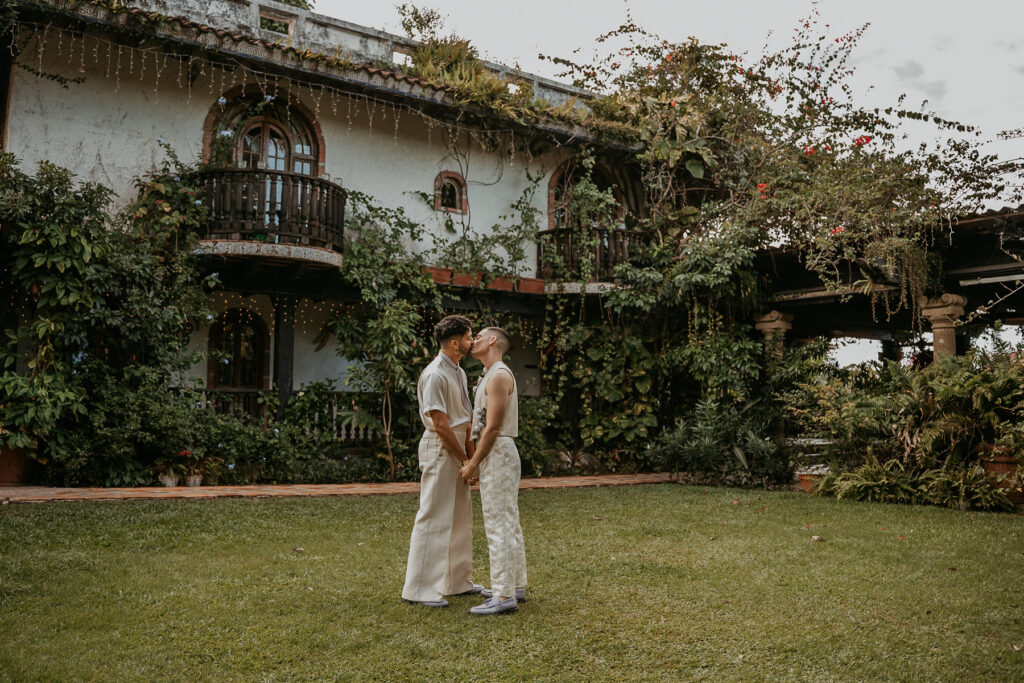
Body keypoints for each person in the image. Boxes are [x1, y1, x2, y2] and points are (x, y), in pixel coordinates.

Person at [402, 315, 483, 607]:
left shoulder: (459, 372)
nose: (472, 342)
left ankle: (456, 581)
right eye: (469, 337)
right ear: (454, 342)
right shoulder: (436, 373)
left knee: (460, 516)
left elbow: (466, 420)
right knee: (434, 516)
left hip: (458, 444)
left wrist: (472, 460)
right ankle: (419, 589)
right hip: (440, 447)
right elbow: (440, 424)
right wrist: (464, 459)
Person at [461, 326, 527, 615]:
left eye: (477, 337)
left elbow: (494, 427)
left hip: (497, 452)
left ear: (492, 341)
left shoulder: (499, 374)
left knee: (498, 523)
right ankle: (515, 585)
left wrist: (473, 463)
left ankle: (503, 596)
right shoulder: (491, 373)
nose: (472, 341)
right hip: (497, 452)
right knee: (508, 521)